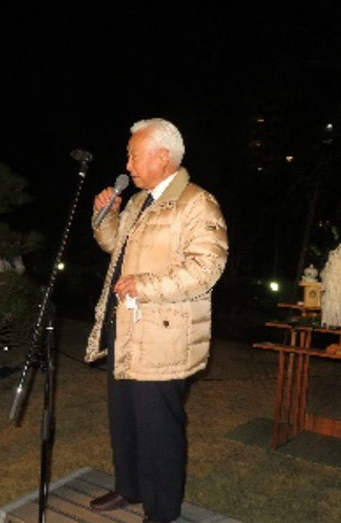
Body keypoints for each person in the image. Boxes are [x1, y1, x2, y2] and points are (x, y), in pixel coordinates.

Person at [85, 119, 228, 522]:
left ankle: (161, 512)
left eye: (134, 154)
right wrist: (106, 217)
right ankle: (128, 487)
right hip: (126, 330)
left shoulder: (197, 203)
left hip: (164, 337)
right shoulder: (136, 202)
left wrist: (145, 285)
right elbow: (114, 248)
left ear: (162, 157)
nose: (127, 164)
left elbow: (207, 268)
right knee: (124, 420)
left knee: (159, 431)